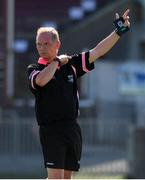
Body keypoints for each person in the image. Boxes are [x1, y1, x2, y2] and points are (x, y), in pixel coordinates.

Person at [27, 9, 130, 179]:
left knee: (67, 178)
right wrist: (57, 61)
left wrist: (119, 31)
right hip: (51, 130)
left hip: (72, 128)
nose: (42, 48)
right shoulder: (35, 69)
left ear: (57, 44)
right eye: (39, 44)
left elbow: (98, 51)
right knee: (56, 178)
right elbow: (40, 81)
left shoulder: (71, 65)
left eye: (46, 44)